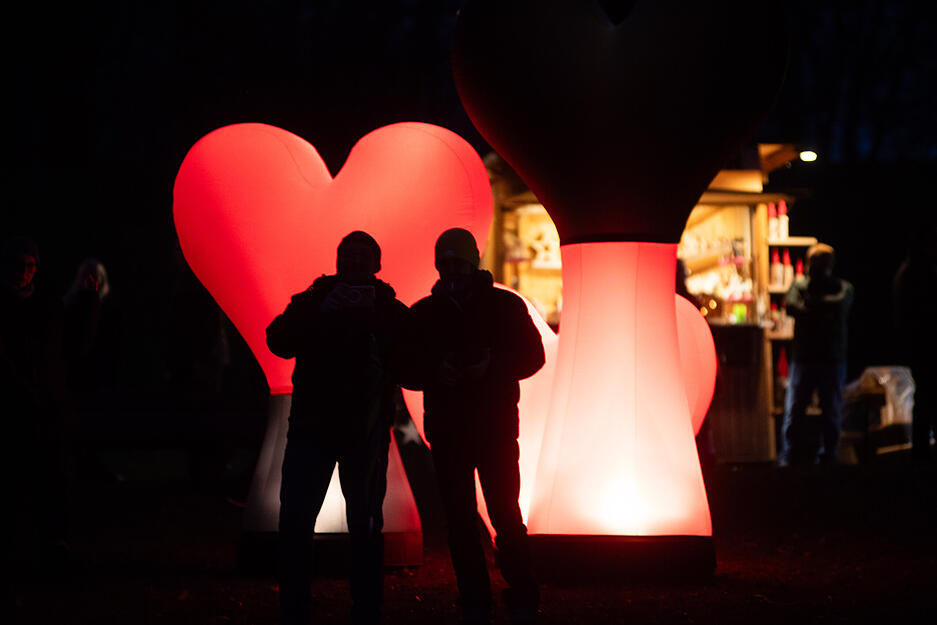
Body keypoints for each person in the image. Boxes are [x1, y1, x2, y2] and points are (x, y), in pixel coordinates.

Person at [266, 231, 408, 625]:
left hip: (347, 430)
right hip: (334, 429)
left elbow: (411, 356)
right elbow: (278, 339)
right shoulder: (322, 302)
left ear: (375, 265)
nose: (357, 264)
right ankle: (349, 609)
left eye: (363, 257)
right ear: (339, 262)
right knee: (309, 520)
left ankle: (336, 608)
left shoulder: (385, 308)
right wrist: (321, 311)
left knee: (344, 522)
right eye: (351, 257)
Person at [406, 228, 544, 625]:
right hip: (491, 427)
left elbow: (406, 364)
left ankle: (478, 599)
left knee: (470, 518)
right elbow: (532, 356)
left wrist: (437, 371)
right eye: (447, 263)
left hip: (460, 429)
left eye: (454, 262)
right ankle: (518, 594)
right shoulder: (504, 305)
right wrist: (492, 366)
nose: (451, 269)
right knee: (501, 514)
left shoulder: (425, 313)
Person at [0, 236, 71, 577]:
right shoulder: (12, 308)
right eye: (17, 265)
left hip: (43, 404)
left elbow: (68, 350)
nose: (22, 273)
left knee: (48, 472)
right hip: (17, 404)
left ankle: (52, 540)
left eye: (28, 266)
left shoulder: (47, 307)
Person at [780, 243, 854, 466]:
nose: (814, 267)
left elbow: (839, 304)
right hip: (806, 358)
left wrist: (810, 307)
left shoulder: (842, 288)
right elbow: (791, 306)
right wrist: (822, 311)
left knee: (830, 410)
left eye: (819, 262)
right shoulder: (800, 286)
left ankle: (827, 456)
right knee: (796, 411)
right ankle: (793, 455)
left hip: (829, 359)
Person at [893, 223, 937, 463]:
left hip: (918, 344)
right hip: (925, 343)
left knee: (925, 397)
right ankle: (922, 452)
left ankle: (921, 452)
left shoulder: (908, 271)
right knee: (928, 397)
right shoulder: (919, 273)